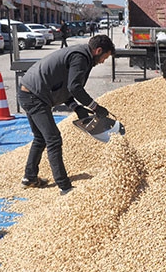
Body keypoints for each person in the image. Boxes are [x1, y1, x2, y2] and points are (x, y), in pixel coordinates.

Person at [18, 34, 116, 195]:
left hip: (30, 92)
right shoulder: (81, 58)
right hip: (35, 97)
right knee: (53, 139)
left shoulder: (79, 54)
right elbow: (75, 87)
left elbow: (64, 87)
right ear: (98, 50)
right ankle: (65, 187)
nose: (103, 61)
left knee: (40, 138)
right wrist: (95, 107)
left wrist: (77, 107)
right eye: (104, 57)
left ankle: (29, 178)